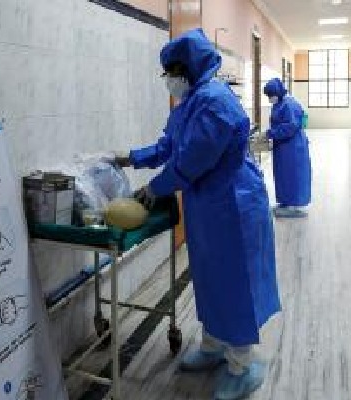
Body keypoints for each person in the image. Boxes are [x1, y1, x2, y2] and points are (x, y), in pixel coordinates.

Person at [114, 28, 281, 400]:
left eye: (172, 72)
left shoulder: (215, 103)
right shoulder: (191, 102)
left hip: (234, 205)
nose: (169, 79)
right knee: (208, 277)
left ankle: (241, 364)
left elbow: (191, 161)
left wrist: (153, 188)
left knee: (234, 281)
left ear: (191, 68)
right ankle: (213, 344)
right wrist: (129, 157)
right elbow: (169, 146)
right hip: (207, 207)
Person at [263, 77, 312, 218]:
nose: (270, 98)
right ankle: (284, 202)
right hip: (283, 146)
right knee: (282, 175)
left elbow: (291, 126)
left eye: (271, 95)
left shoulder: (289, 104)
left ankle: (293, 205)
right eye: (268, 96)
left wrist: (271, 133)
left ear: (277, 92)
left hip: (292, 146)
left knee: (292, 175)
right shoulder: (279, 103)